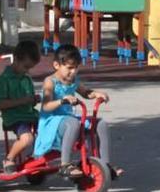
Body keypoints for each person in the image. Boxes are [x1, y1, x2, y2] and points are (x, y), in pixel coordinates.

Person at [34, 45, 122, 179]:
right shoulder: (50, 82)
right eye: (69, 68)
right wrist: (62, 101)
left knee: (100, 124)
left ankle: (105, 165)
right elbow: (46, 106)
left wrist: (96, 93)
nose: (73, 71)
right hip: (51, 121)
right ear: (56, 65)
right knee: (73, 123)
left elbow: (85, 93)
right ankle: (65, 165)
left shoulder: (73, 80)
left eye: (76, 67)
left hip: (68, 119)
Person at [0, 40, 41, 174]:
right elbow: (1, 103)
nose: (27, 70)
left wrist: (33, 100)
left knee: (49, 129)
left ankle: (34, 157)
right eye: (26, 66)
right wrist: (23, 101)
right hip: (15, 117)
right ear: (16, 59)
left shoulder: (26, 78)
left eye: (30, 68)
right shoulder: (3, 80)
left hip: (30, 114)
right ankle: (9, 159)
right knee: (27, 138)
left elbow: (29, 101)